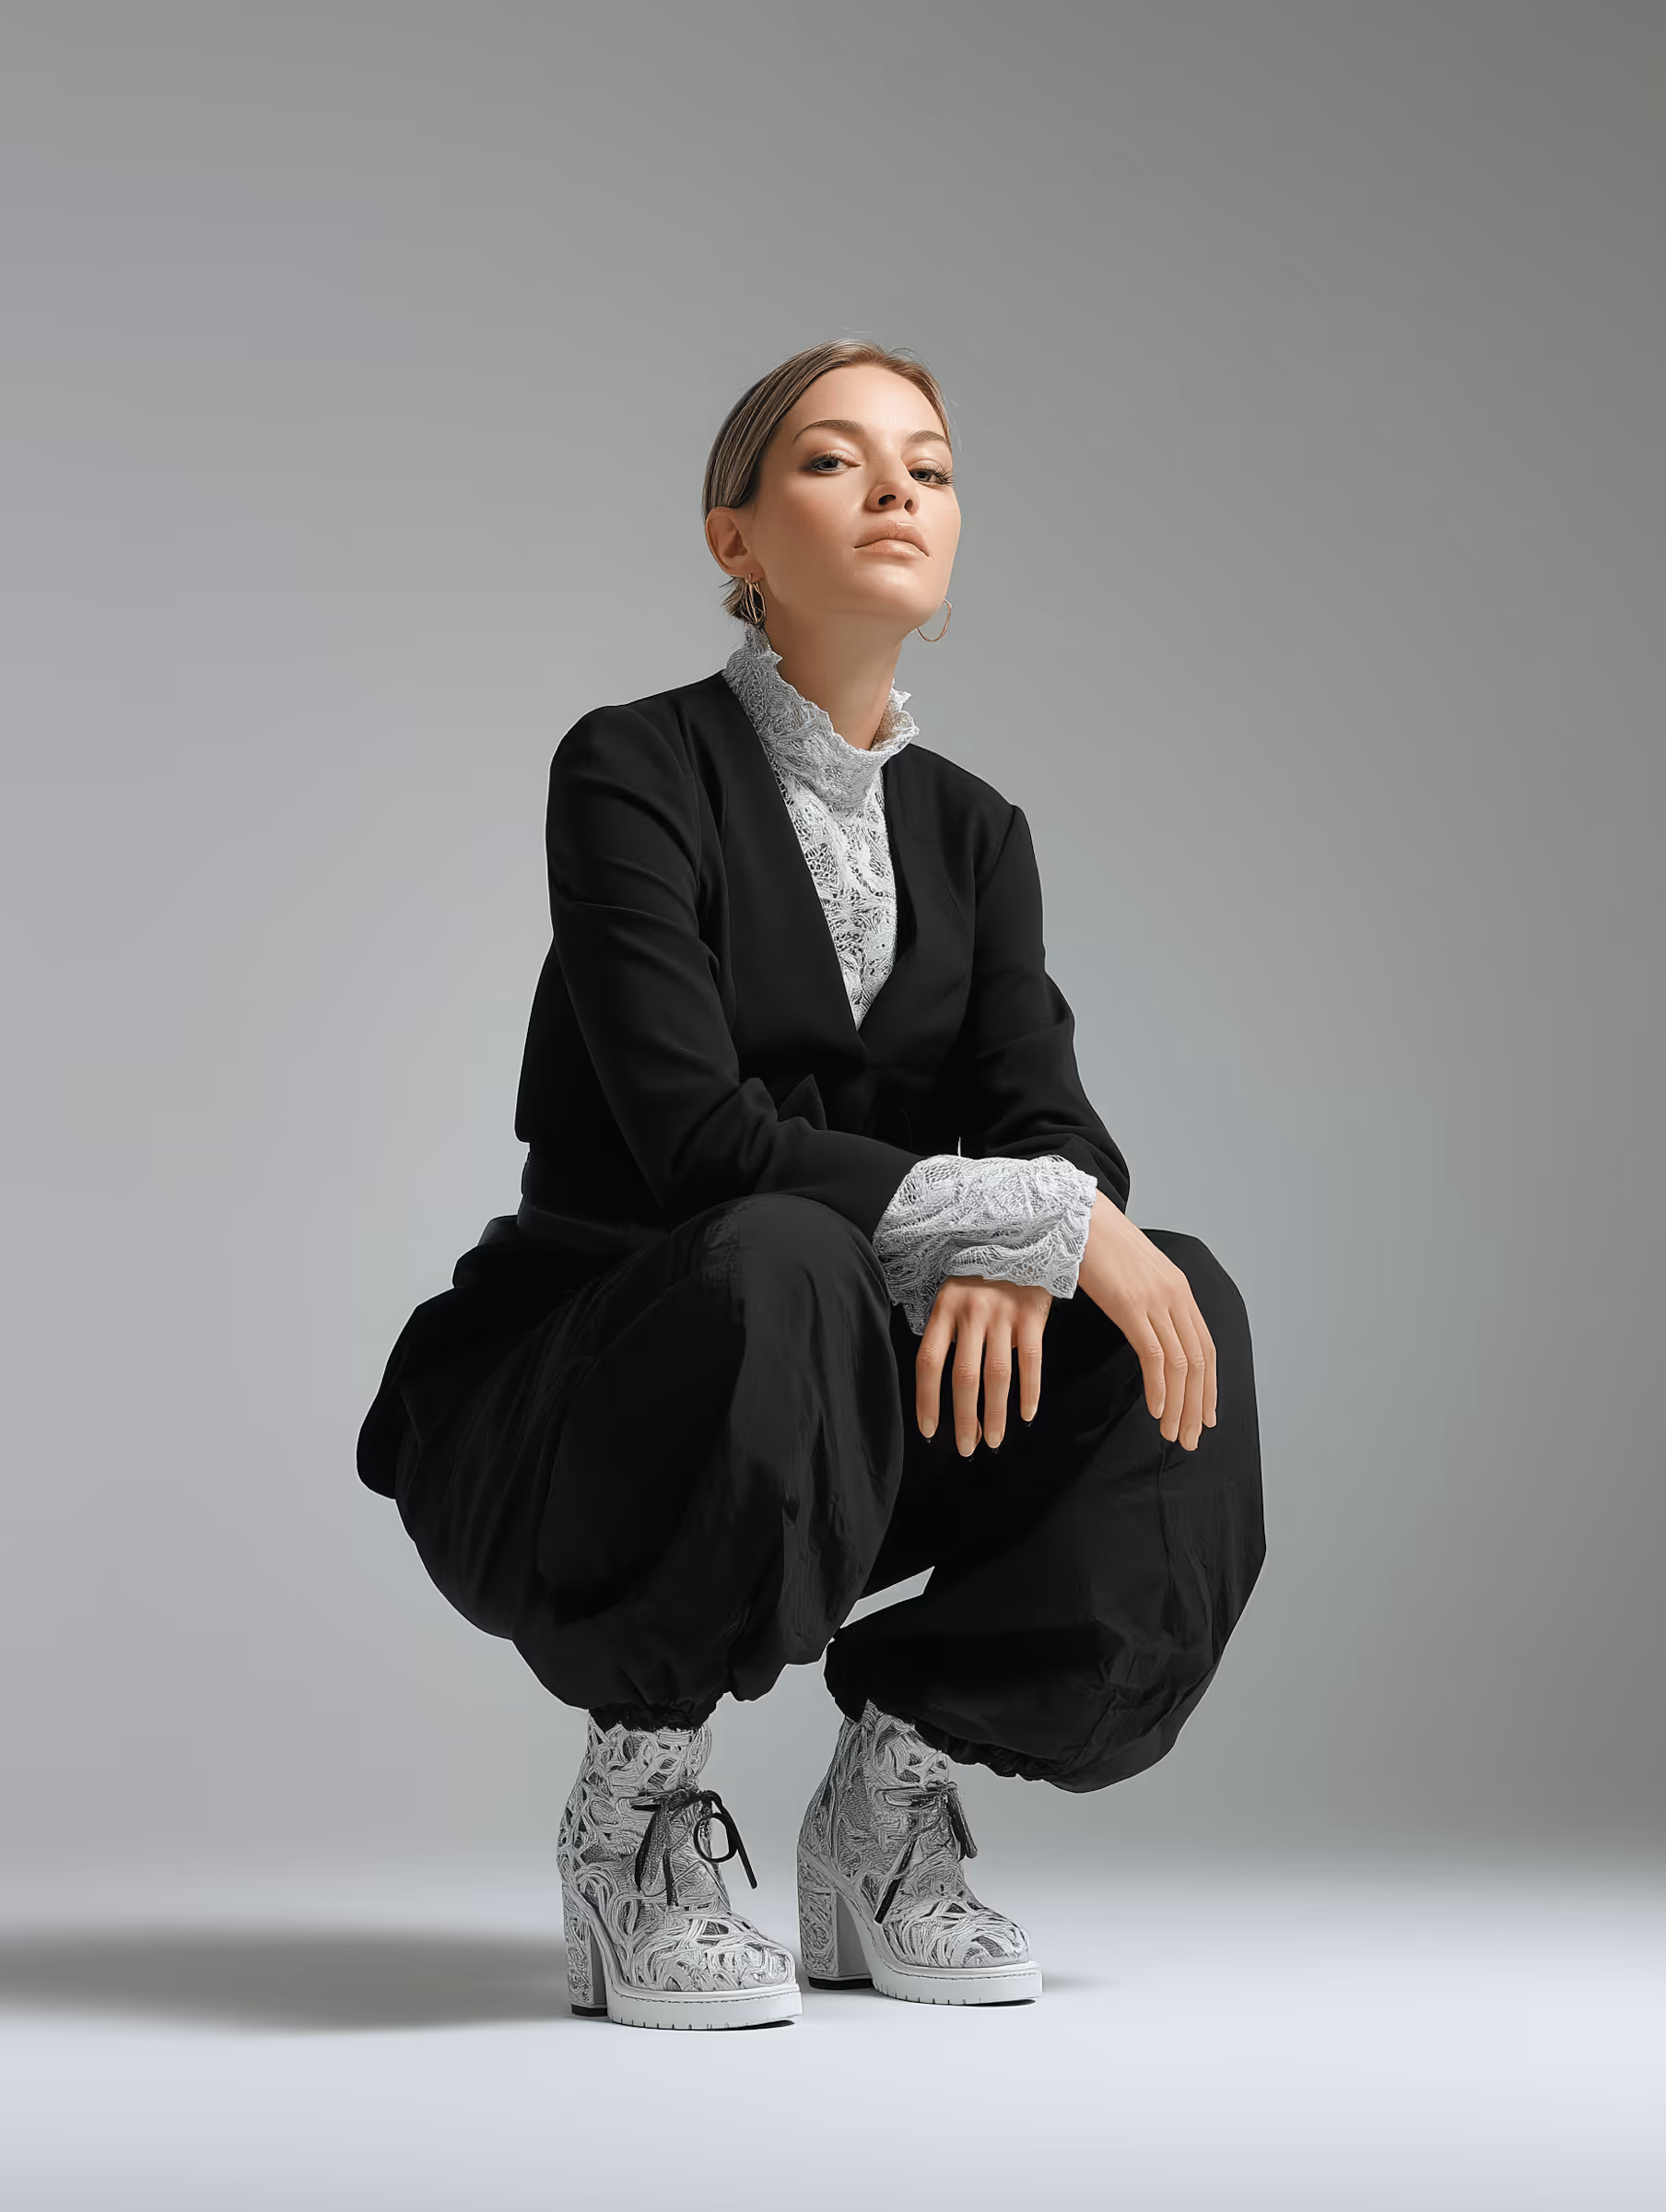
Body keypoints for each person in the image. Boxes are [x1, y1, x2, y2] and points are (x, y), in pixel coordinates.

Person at [357, 338, 1266, 2032]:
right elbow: (702, 1140)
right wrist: (1033, 1215)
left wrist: (1028, 1237)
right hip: (614, 1394)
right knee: (779, 1248)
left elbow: (1050, 1119)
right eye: (836, 462)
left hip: (869, 1400)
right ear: (736, 541)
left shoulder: (980, 833)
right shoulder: (629, 771)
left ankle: (892, 1800)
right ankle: (639, 1818)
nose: (897, 491)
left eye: (926, 464)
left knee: (1180, 1297)